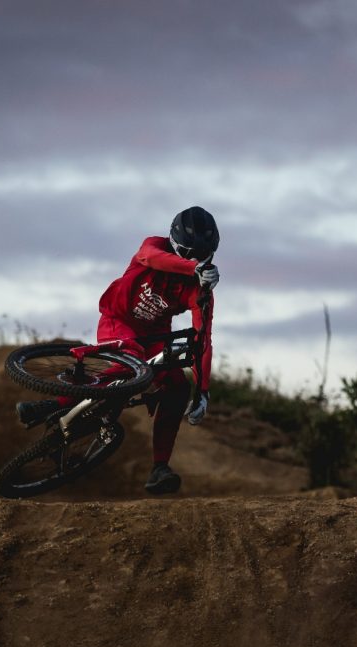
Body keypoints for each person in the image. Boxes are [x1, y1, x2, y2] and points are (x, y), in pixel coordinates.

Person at [15, 205, 220, 494]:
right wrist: (193, 268)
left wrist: (203, 391)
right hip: (118, 320)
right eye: (189, 254)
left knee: (177, 386)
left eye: (201, 256)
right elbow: (152, 257)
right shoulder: (154, 246)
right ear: (175, 243)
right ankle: (51, 405)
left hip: (154, 337)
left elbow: (203, 341)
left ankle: (159, 468)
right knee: (133, 362)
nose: (195, 259)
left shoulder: (199, 291)